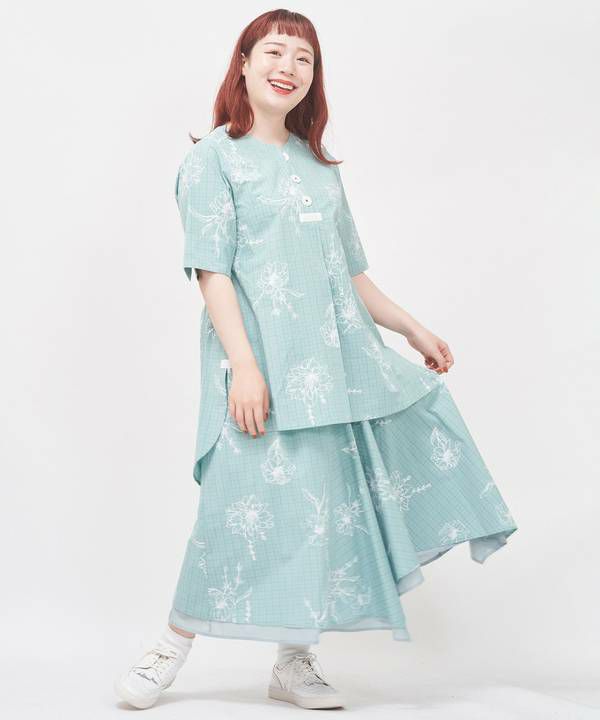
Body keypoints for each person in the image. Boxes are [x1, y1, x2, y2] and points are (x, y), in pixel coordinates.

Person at [115, 8, 518, 711]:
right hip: (259, 369)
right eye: (275, 52)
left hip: (333, 372)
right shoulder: (212, 160)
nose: (289, 68)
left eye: (304, 59)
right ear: (243, 64)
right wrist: (244, 367)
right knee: (233, 509)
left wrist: (413, 329)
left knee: (319, 512)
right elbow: (212, 272)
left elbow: (351, 276)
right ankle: (170, 648)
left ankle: (293, 661)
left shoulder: (319, 169)